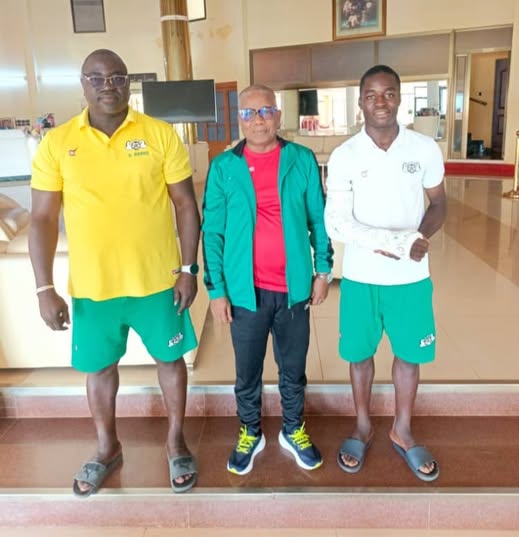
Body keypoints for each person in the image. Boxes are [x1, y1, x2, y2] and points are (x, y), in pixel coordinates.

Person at [29, 49, 201, 496]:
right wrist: (44, 287)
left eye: (118, 77)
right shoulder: (57, 142)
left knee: (171, 360)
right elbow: (42, 218)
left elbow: (185, 204)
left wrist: (188, 269)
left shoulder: (160, 134)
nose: (109, 85)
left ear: (129, 83)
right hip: (93, 286)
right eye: (97, 77)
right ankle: (107, 448)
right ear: (83, 84)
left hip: (157, 281)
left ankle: (175, 441)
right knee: (99, 368)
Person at [202, 84, 333, 475]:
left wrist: (323, 270)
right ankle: (250, 431)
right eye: (248, 113)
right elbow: (213, 232)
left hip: (293, 290)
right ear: (238, 119)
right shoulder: (224, 167)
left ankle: (293, 429)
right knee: (247, 371)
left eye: (265, 111)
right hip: (245, 294)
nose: (257, 120)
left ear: (277, 115)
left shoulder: (300, 159)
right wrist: (216, 290)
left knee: (293, 368)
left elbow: (319, 220)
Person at [325, 64, 446, 482]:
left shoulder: (424, 148)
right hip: (361, 277)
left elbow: (439, 204)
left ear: (399, 98)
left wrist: (419, 238)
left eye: (389, 93)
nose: (381, 101)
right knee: (359, 354)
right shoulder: (345, 156)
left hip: (411, 277)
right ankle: (362, 425)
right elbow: (337, 222)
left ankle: (402, 429)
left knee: (409, 355)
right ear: (361, 102)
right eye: (372, 94)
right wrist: (388, 242)